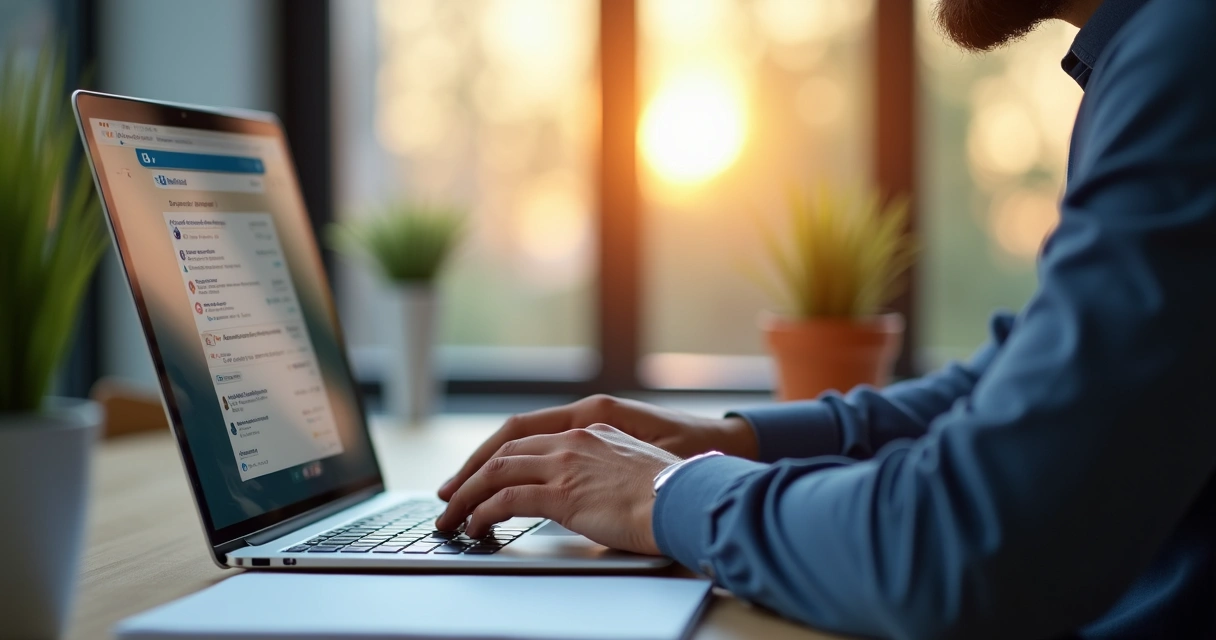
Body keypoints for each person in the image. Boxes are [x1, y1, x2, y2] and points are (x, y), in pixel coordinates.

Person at [435, 0, 1216, 636]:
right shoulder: (1151, 48)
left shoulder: (1187, 53)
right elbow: (1020, 382)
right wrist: (738, 440)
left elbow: (961, 546)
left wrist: (663, 493)